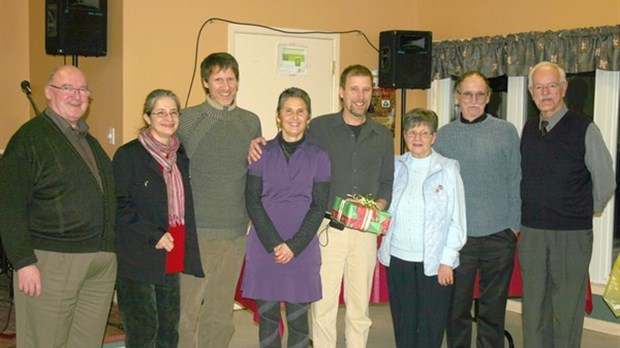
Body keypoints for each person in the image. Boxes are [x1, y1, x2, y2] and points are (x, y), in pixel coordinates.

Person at [250, 64, 394, 347]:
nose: (360, 96)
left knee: (359, 309)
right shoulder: (320, 127)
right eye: (354, 89)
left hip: (365, 232)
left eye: (366, 90)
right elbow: (292, 139)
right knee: (323, 306)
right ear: (342, 92)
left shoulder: (383, 136)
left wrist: (378, 203)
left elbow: (387, 180)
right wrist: (257, 142)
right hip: (328, 229)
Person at [0, 65, 117, 347]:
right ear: (49, 93)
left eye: (83, 89)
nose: (77, 96)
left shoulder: (89, 141)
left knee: (86, 342)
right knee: (46, 341)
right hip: (53, 260)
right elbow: (9, 205)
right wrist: (23, 261)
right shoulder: (30, 139)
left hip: (99, 261)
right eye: (68, 88)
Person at [519, 61, 615, 348]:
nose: (545, 92)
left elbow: (606, 179)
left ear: (564, 88)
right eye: (538, 87)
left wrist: (584, 210)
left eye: (551, 86)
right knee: (533, 308)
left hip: (571, 235)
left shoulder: (584, 128)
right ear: (531, 91)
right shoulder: (528, 128)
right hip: (532, 232)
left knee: (567, 310)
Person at [177, 52, 261, 348]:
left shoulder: (250, 122)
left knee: (221, 311)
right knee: (185, 312)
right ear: (205, 83)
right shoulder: (186, 120)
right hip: (193, 233)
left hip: (236, 232)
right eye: (218, 79)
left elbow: (255, 171)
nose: (226, 86)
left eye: (231, 79)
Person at [433, 71, 521, 348]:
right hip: (458, 240)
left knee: (492, 311)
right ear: (457, 98)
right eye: (467, 94)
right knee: (456, 311)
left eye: (480, 94)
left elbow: (516, 179)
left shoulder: (506, 131)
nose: (473, 100)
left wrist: (513, 227)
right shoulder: (444, 137)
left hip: (499, 235)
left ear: (488, 98)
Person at [113, 89, 204, 347]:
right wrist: (154, 234)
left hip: (172, 251)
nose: (168, 118)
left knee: (168, 330)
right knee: (144, 331)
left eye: (173, 112)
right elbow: (119, 206)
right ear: (147, 116)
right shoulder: (128, 155)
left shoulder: (180, 155)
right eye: (160, 112)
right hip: (138, 254)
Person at [242, 87, 331, 347]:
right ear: (278, 116)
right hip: (264, 247)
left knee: (299, 323)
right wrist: (275, 243)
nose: (294, 117)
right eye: (288, 111)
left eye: (300, 111)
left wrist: (293, 246)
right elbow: (252, 200)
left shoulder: (320, 157)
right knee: (268, 321)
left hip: (302, 249)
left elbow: (318, 206)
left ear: (309, 117)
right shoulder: (260, 152)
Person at [378, 108, 467, 348]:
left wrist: (448, 260)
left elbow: (457, 220)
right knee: (404, 327)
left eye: (424, 132)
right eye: (412, 132)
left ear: (434, 137)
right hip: (398, 259)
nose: (417, 138)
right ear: (404, 136)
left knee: (431, 328)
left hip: (435, 264)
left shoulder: (448, 169)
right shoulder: (396, 167)